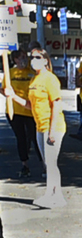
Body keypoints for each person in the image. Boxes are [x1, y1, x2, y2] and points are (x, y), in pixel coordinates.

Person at [6, 47, 65, 207]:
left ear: (45, 60)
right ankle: (56, 195)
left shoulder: (50, 79)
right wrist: (13, 96)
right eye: (32, 58)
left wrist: (52, 130)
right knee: (48, 163)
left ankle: (52, 195)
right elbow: (29, 105)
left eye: (37, 57)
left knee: (51, 163)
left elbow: (57, 103)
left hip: (52, 126)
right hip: (40, 126)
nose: (33, 61)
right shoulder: (34, 79)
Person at [4, 49, 41, 179]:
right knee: (21, 137)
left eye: (25, 57)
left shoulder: (32, 73)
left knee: (34, 137)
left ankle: (44, 164)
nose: (24, 60)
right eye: (21, 58)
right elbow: (4, 89)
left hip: (30, 111)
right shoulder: (11, 73)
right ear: (15, 60)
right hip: (14, 111)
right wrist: (7, 94)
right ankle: (24, 164)